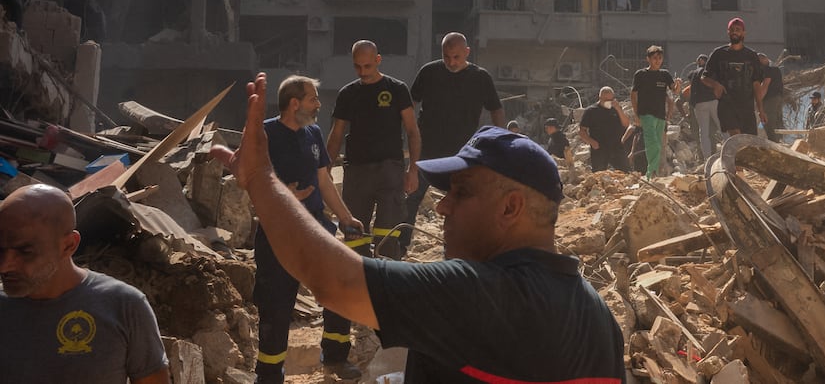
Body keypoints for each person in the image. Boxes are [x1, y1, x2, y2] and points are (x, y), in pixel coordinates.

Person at [215, 74, 625, 384]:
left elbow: (332, 280)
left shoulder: (475, 291)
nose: (441, 206)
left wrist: (260, 179)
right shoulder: (601, 319)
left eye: (460, 193)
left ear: (511, 207)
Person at [254, 76, 365, 383]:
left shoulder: (314, 133)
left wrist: (345, 217)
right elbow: (253, 179)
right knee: (276, 304)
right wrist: (283, 193)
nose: (318, 105)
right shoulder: (265, 134)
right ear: (294, 103)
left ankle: (335, 357)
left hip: (316, 226)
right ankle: (269, 375)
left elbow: (324, 181)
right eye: (313, 99)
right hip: (279, 231)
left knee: (339, 289)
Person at [0, 184, 169, 384]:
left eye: (25, 251)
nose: (4, 266)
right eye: (0, 250)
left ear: (69, 245)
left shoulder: (123, 306)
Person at [403, 32, 504, 253]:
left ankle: (460, 248)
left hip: (462, 154)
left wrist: (500, 139)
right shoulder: (429, 72)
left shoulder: (480, 77)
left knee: (463, 203)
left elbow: (496, 108)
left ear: (467, 52)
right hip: (426, 150)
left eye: (456, 57)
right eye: (447, 56)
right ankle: (400, 247)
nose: (451, 62)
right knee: (410, 198)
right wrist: (409, 135)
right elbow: (410, 103)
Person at [326, 41, 420, 261]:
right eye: (358, 67)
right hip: (357, 172)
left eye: (367, 66)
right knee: (354, 235)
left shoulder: (397, 89)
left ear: (378, 60)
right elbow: (336, 134)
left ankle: (388, 285)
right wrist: (325, 169)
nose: (363, 72)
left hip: (390, 170)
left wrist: (413, 169)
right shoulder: (348, 94)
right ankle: (358, 283)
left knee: (388, 236)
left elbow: (413, 131)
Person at [702, 18, 766, 136]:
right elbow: (704, 77)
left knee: (748, 143)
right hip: (727, 105)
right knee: (736, 136)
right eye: (732, 29)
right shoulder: (718, 54)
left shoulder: (751, 56)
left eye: (738, 29)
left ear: (744, 33)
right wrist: (716, 85)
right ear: (728, 32)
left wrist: (761, 109)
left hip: (747, 107)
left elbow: (756, 84)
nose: (734, 32)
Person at [630, 45, 675, 178]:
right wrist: (636, 113)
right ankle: (651, 173)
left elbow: (674, 91)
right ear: (648, 59)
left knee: (659, 145)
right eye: (654, 58)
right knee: (652, 143)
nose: (657, 61)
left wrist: (677, 85)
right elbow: (633, 94)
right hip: (646, 114)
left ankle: (653, 172)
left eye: (660, 58)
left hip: (660, 115)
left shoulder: (665, 75)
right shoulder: (641, 74)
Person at [578, 87, 628, 172]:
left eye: (611, 99)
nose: (609, 101)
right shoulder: (591, 111)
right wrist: (591, 142)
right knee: (599, 174)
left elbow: (626, 124)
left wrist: (618, 109)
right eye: (606, 99)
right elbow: (582, 131)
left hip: (616, 147)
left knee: (626, 172)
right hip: (599, 148)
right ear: (600, 98)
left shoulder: (616, 109)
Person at [685, 53, 721, 161]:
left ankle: (707, 158)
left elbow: (689, 82)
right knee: (723, 127)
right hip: (713, 101)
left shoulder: (693, 73)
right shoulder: (712, 71)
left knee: (703, 132)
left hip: (700, 104)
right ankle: (731, 153)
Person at [757, 53, 785, 143]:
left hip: (770, 99)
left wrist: (757, 101)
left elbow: (765, 86)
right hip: (777, 98)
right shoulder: (775, 69)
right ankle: (778, 140)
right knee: (776, 121)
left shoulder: (769, 69)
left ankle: (773, 142)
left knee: (769, 121)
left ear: (763, 59)